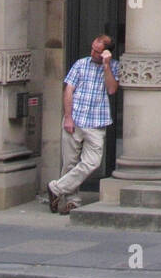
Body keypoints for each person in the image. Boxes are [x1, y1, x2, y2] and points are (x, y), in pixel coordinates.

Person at [47, 34, 120, 213]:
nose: (93, 53)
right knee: (69, 163)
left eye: (98, 51)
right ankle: (72, 200)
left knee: (92, 162)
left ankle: (55, 188)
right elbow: (69, 90)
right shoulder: (80, 64)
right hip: (76, 118)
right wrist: (68, 117)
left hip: (96, 122)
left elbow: (112, 89)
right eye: (93, 49)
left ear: (106, 53)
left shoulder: (114, 67)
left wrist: (106, 66)